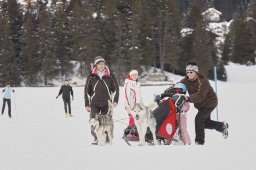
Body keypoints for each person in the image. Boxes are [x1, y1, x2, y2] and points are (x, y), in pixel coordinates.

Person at [180, 61, 228, 145]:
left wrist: (188, 98)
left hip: (210, 103)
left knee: (198, 120)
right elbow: (178, 86)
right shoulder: (186, 80)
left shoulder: (202, 81)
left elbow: (201, 95)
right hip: (201, 105)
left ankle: (199, 142)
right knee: (204, 123)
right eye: (187, 72)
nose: (189, 74)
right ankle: (221, 126)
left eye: (191, 72)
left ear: (196, 72)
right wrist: (166, 93)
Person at [84, 56, 119, 145]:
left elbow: (116, 89)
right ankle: (96, 137)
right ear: (96, 65)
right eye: (99, 64)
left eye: (102, 63)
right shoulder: (91, 75)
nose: (101, 65)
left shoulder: (110, 75)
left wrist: (115, 100)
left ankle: (106, 137)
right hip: (94, 103)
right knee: (94, 120)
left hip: (106, 103)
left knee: (107, 120)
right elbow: (86, 91)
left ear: (104, 64)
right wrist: (87, 104)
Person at [123, 70, 142, 138]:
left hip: (137, 106)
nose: (134, 76)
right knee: (132, 119)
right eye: (133, 75)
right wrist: (128, 106)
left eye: (136, 75)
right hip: (130, 105)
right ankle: (130, 133)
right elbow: (126, 95)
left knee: (137, 119)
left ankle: (130, 132)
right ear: (130, 76)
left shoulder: (137, 84)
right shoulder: (128, 83)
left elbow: (139, 96)